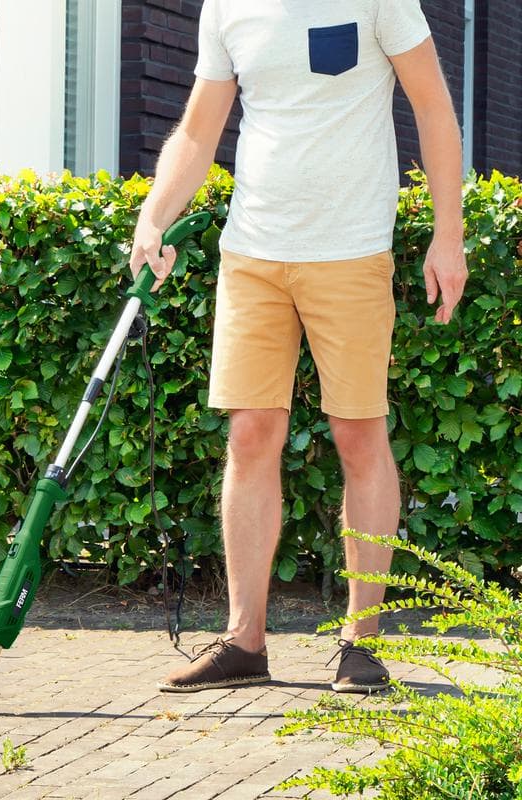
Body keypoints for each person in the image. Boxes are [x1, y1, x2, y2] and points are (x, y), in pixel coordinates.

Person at [129, 0, 468, 693]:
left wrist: (448, 233)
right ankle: (244, 641)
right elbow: (198, 129)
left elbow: (434, 109)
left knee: (357, 434)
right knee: (251, 434)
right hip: (252, 253)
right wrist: (153, 215)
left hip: (350, 252)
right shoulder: (227, 7)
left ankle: (360, 643)